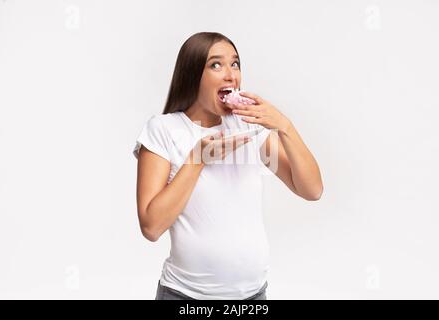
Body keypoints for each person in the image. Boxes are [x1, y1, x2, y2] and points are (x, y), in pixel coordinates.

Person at [133, 32, 323, 300]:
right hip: (186, 297)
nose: (230, 74)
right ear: (192, 75)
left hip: (253, 297)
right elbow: (151, 227)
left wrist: (285, 126)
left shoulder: (247, 124)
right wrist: (197, 159)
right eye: (216, 65)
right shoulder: (164, 129)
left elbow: (312, 190)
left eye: (235, 64)